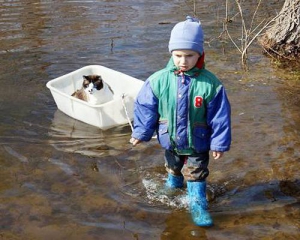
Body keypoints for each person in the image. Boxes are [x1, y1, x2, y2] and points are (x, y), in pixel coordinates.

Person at [130, 16, 231, 227]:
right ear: (171, 53)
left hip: (198, 142)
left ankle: (198, 203)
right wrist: (141, 132)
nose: (183, 61)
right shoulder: (159, 80)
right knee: (173, 167)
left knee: (196, 174)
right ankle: (173, 184)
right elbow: (146, 107)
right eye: (178, 55)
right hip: (171, 139)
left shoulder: (210, 84)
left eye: (189, 55)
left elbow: (220, 116)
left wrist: (219, 144)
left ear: (200, 54)